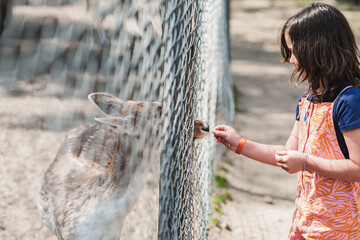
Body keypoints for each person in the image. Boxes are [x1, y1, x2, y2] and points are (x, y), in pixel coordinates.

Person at [212, 2, 360, 239]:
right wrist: (239, 144)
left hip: (340, 229)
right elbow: (287, 152)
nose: (290, 60)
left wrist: (305, 162)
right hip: (306, 221)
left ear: (317, 49)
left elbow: (357, 168)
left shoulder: (349, 101)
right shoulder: (308, 101)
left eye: (293, 51)